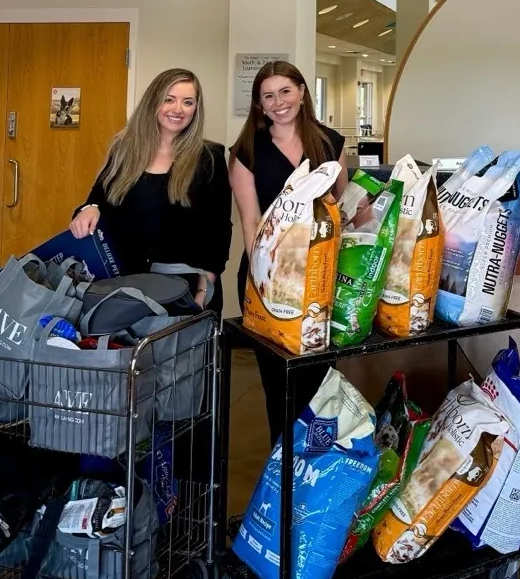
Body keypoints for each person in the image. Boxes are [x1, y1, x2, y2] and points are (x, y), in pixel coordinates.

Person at [229, 60, 347, 441]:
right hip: (270, 284)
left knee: (320, 379)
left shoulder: (329, 142)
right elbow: (250, 222)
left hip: (320, 279)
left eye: (285, 91)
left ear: (301, 92)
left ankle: (315, 467)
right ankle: (283, 472)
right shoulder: (246, 150)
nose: (278, 102)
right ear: (259, 104)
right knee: (279, 384)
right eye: (268, 96)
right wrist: (266, 283)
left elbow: (339, 203)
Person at [70, 68, 232, 312]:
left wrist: (203, 288)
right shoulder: (123, 149)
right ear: (153, 102)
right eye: (169, 99)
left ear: (196, 109)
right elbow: (95, 201)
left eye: (188, 102)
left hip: (182, 290)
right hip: (124, 288)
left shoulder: (210, 157)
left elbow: (218, 230)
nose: (178, 109)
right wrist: (87, 210)